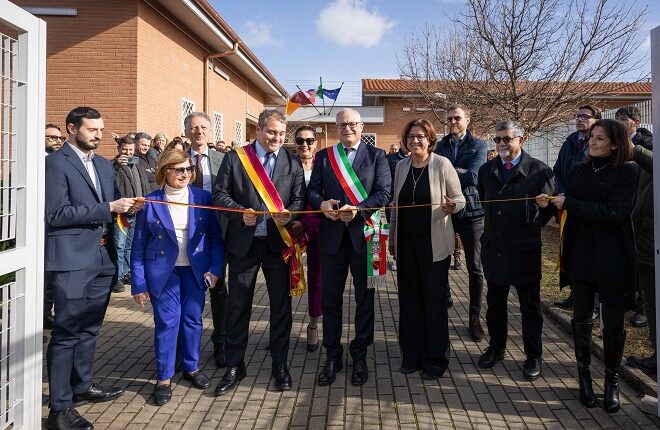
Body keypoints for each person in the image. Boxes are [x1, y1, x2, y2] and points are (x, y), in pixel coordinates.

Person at [45, 107, 142, 430]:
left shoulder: (102, 164)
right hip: (71, 259)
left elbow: (113, 204)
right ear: (72, 129)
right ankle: (60, 409)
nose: (99, 135)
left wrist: (129, 207)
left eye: (101, 130)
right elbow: (56, 214)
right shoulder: (55, 163)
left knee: (90, 328)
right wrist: (108, 207)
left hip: (103, 257)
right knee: (66, 332)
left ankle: (82, 385)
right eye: (92, 130)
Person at [538, 119, 637, 413]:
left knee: (613, 322)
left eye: (600, 138)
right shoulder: (578, 170)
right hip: (580, 253)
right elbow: (568, 206)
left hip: (613, 254)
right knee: (581, 318)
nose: (592, 141)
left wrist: (569, 203)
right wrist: (552, 203)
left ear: (615, 144)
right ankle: (584, 377)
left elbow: (613, 213)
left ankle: (612, 381)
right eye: (592, 137)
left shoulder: (627, 172)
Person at [213, 109, 305, 395]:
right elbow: (220, 194)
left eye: (281, 133)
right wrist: (240, 212)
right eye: (272, 132)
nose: (277, 137)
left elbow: (299, 199)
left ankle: (280, 364)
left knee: (281, 306)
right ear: (259, 130)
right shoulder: (235, 158)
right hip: (244, 244)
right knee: (238, 305)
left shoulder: (292, 162)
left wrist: (290, 215)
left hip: (278, 245)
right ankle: (235, 364)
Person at [131, 149, 223, 406]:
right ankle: (164, 378)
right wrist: (139, 284)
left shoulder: (203, 197)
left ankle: (192, 367)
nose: (186, 174)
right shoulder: (151, 201)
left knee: (192, 319)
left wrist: (215, 269)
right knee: (167, 323)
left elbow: (215, 237)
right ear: (165, 171)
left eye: (189, 169)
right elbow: (138, 245)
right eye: (179, 169)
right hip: (163, 273)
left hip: (195, 270)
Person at [307, 108, 391, 387]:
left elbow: (384, 193)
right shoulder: (324, 156)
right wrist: (321, 203)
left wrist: (358, 209)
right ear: (336, 127)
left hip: (366, 237)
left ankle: (360, 355)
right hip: (331, 239)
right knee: (330, 300)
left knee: (365, 300)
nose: (347, 128)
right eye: (342, 124)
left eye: (352, 124)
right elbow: (312, 190)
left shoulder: (377, 156)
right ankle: (332, 356)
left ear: (361, 126)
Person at [476, 120, 554, 382]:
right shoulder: (487, 170)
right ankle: (496, 347)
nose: (501, 144)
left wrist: (528, 223)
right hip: (495, 247)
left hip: (524, 249)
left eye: (507, 139)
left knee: (529, 306)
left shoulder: (540, 171)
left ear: (521, 139)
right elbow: (484, 199)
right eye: (497, 139)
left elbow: (548, 210)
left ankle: (533, 355)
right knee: (495, 302)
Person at [388, 119, 465, 379]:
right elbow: (395, 206)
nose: (415, 141)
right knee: (409, 302)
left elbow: (460, 199)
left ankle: (435, 359)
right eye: (411, 136)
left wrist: (452, 206)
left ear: (430, 140)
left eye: (420, 136)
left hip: (434, 245)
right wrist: (392, 238)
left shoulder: (442, 164)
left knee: (433, 303)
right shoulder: (401, 166)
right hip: (406, 245)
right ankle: (412, 355)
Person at [434, 104, 487, 342]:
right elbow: (434, 175)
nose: (453, 122)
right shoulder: (440, 145)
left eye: (457, 118)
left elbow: (474, 176)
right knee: (440, 259)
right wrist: (458, 172)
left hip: (472, 212)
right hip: (444, 210)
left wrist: (448, 173)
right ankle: (443, 296)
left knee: (474, 267)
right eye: (449, 118)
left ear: (467, 120)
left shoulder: (479, 145)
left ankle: (474, 318)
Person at [184, 112, 228, 368]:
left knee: (219, 289)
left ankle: (220, 342)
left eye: (203, 127)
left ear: (210, 131)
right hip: (186, 234)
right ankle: (186, 344)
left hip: (217, 232)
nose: (198, 131)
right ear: (187, 131)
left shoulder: (223, 159)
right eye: (193, 127)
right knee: (189, 289)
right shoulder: (178, 159)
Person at [552, 105, 601, 310]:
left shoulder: (598, 144)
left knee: (590, 254)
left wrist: (572, 198)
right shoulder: (570, 142)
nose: (580, 119)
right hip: (567, 206)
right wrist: (562, 192)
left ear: (596, 120)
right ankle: (575, 293)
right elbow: (557, 170)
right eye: (577, 116)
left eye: (585, 116)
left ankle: (595, 302)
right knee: (571, 251)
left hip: (586, 208)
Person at [615, 105, 653, 327]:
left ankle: (643, 308)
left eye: (622, 119)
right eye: (616, 119)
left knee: (643, 267)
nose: (618, 124)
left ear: (635, 122)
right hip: (621, 209)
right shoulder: (613, 142)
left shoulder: (646, 144)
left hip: (641, 214)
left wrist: (634, 152)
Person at [289, 125, 322, 352]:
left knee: (317, 279)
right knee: (284, 280)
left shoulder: (323, 165)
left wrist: (307, 224)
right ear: (295, 143)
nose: (305, 145)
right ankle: (280, 329)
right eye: (300, 141)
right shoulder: (286, 164)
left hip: (316, 228)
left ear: (315, 143)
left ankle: (313, 325)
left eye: (309, 141)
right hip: (288, 228)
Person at [625, 143, 656, 374]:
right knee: (652, 303)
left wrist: (636, 151)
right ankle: (657, 353)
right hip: (645, 246)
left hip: (654, 247)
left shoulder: (646, 153)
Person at [112, 136, 151, 293]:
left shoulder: (138, 165)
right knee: (119, 245)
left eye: (130, 150)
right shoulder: (113, 166)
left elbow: (145, 185)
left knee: (131, 245)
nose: (128, 153)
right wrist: (116, 166)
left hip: (137, 212)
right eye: (124, 149)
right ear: (119, 149)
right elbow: (109, 182)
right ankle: (118, 277)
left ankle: (127, 272)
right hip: (121, 213)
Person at [386, 141, 410, 271]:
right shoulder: (391, 159)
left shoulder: (417, 158)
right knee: (394, 229)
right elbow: (386, 179)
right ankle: (395, 258)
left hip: (410, 202)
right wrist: (389, 198)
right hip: (393, 201)